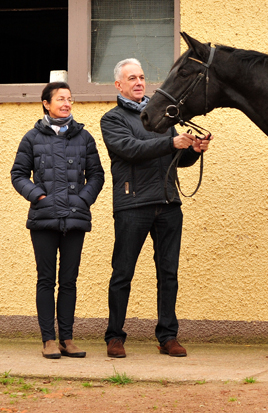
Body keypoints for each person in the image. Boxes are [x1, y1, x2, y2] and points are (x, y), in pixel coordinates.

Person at [100, 58, 210, 358]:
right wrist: (172, 143)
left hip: (168, 204)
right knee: (122, 273)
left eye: (142, 77)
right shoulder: (112, 119)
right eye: (132, 78)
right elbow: (130, 150)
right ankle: (115, 336)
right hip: (132, 204)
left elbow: (175, 158)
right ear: (118, 85)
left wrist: (193, 150)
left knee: (168, 273)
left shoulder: (162, 117)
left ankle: (167, 336)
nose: (139, 82)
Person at [11, 82, 105, 359]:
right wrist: (39, 196)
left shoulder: (84, 137)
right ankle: (48, 340)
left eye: (70, 99)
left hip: (75, 217)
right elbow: (18, 175)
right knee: (46, 280)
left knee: (69, 281)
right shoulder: (32, 138)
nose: (66, 104)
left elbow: (97, 175)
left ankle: (67, 337)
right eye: (61, 99)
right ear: (46, 103)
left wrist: (82, 200)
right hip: (44, 218)